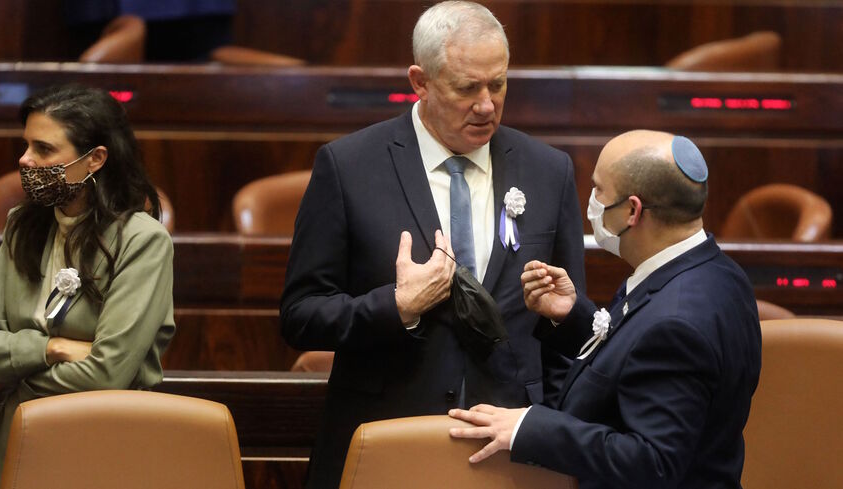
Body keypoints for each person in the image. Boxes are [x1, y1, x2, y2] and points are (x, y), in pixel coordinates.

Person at [280, 1, 585, 487]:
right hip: (388, 439)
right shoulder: (349, 167)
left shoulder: (549, 171)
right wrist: (397, 307)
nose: (487, 104)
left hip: (509, 451)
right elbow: (301, 315)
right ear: (419, 81)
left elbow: (567, 335)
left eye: (499, 84)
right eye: (467, 87)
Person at [449, 130, 762, 489]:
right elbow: (642, 363)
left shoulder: (676, 324)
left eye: (599, 190)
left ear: (632, 210)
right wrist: (574, 317)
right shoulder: (718, 274)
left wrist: (529, 427)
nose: (591, 201)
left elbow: (651, 462)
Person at [0, 84, 175, 489]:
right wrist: (50, 349)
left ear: (95, 159)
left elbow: (107, 375)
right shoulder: (22, 224)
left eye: (44, 149)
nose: (25, 159)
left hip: (100, 448)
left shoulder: (142, 241)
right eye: (26, 144)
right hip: (17, 443)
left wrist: (14, 373)